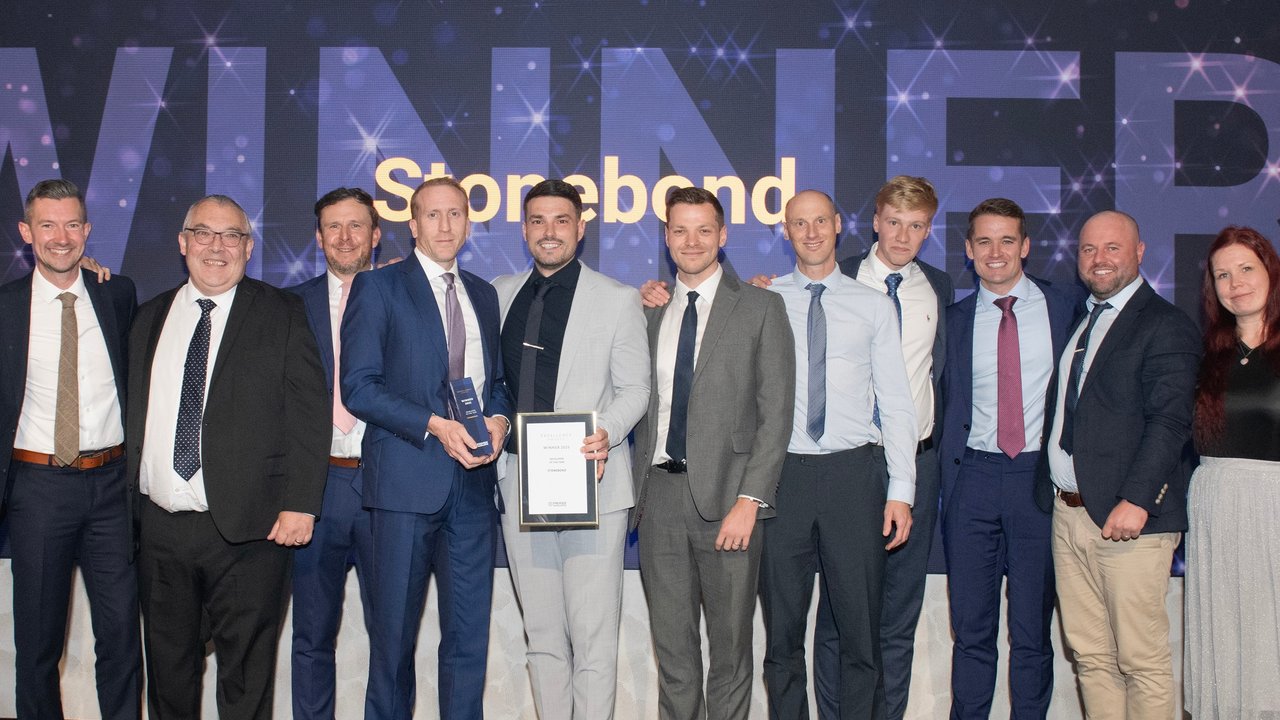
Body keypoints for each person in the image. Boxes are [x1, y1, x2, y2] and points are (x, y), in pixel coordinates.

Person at [126, 194, 330, 718]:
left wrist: (301, 503)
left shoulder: (283, 312)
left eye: (232, 236)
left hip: (250, 530)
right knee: (169, 676)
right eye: (203, 233)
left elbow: (309, 415)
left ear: (248, 246)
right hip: (161, 530)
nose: (216, 247)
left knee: (245, 680)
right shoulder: (149, 317)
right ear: (182, 242)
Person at [341, 176, 512, 720]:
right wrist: (434, 424)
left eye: (455, 214)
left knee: (468, 645)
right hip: (405, 487)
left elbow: (499, 383)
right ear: (412, 225)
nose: (445, 225)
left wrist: (502, 421)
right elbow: (359, 388)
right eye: (432, 215)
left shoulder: (484, 294)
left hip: (473, 491)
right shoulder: (379, 288)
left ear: (468, 222)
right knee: (392, 646)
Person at [631, 187, 794, 719]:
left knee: (730, 653)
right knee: (675, 654)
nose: (692, 241)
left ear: (723, 236)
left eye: (704, 230)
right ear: (666, 237)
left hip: (731, 501)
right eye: (680, 230)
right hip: (658, 499)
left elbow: (776, 415)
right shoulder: (646, 311)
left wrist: (750, 500)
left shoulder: (762, 306)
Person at [491, 178, 650, 719]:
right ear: (524, 230)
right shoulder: (499, 293)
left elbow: (636, 390)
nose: (549, 231)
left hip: (594, 486)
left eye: (561, 220)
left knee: (594, 638)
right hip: (520, 485)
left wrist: (607, 430)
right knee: (542, 637)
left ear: (581, 229)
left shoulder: (617, 299)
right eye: (537, 221)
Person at [758, 190, 915, 719]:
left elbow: (896, 404)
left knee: (860, 636)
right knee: (782, 638)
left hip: (854, 478)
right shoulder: (764, 300)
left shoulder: (872, 305)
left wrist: (901, 491)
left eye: (820, 221)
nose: (810, 232)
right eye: (799, 223)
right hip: (783, 479)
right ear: (786, 231)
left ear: (839, 225)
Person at [1038, 210, 1200, 720]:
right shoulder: (1083, 320)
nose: (1099, 259)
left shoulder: (1165, 324)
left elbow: (1170, 423)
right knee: (1090, 657)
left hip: (1128, 522)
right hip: (1069, 517)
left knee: (1141, 660)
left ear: (1139, 252)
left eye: (1112, 248)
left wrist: (1135, 500)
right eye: (1089, 250)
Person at [0, 178, 140, 719]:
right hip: (36, 490)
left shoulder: (116, 293)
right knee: (36, 646)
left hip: (112, 489)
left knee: (123, 638)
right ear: (25, 231)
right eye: (48, 225)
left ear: (87, 230)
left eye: (72, 224)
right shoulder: (7, 306)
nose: (61, 237)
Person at [937, 199, 1080, 719]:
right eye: (983, 242)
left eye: (1006, 241)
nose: (995, 253)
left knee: (1031, 632)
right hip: (971, 480)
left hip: (1038, 483)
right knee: (971, 631)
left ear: (1025, 246)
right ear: (969, 251)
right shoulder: (950, 320)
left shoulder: (1068, 308)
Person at [287, 187, 383, 720]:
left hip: (383, 486)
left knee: (388, 638)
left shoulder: (402, 297)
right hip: (313, 489)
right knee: (311, 635)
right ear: (319, 237)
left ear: (376, 234)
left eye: (356, 226)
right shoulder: (286, 305)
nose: (344, 238)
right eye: (333, 227)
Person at [1185, 225, 1280, 718]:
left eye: (1246, 268)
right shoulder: (1207, 356)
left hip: (1273, 510)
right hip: (1215, 506)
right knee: (1224, 632)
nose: (1235, 282)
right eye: (1223, 274)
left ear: (1271, 272)